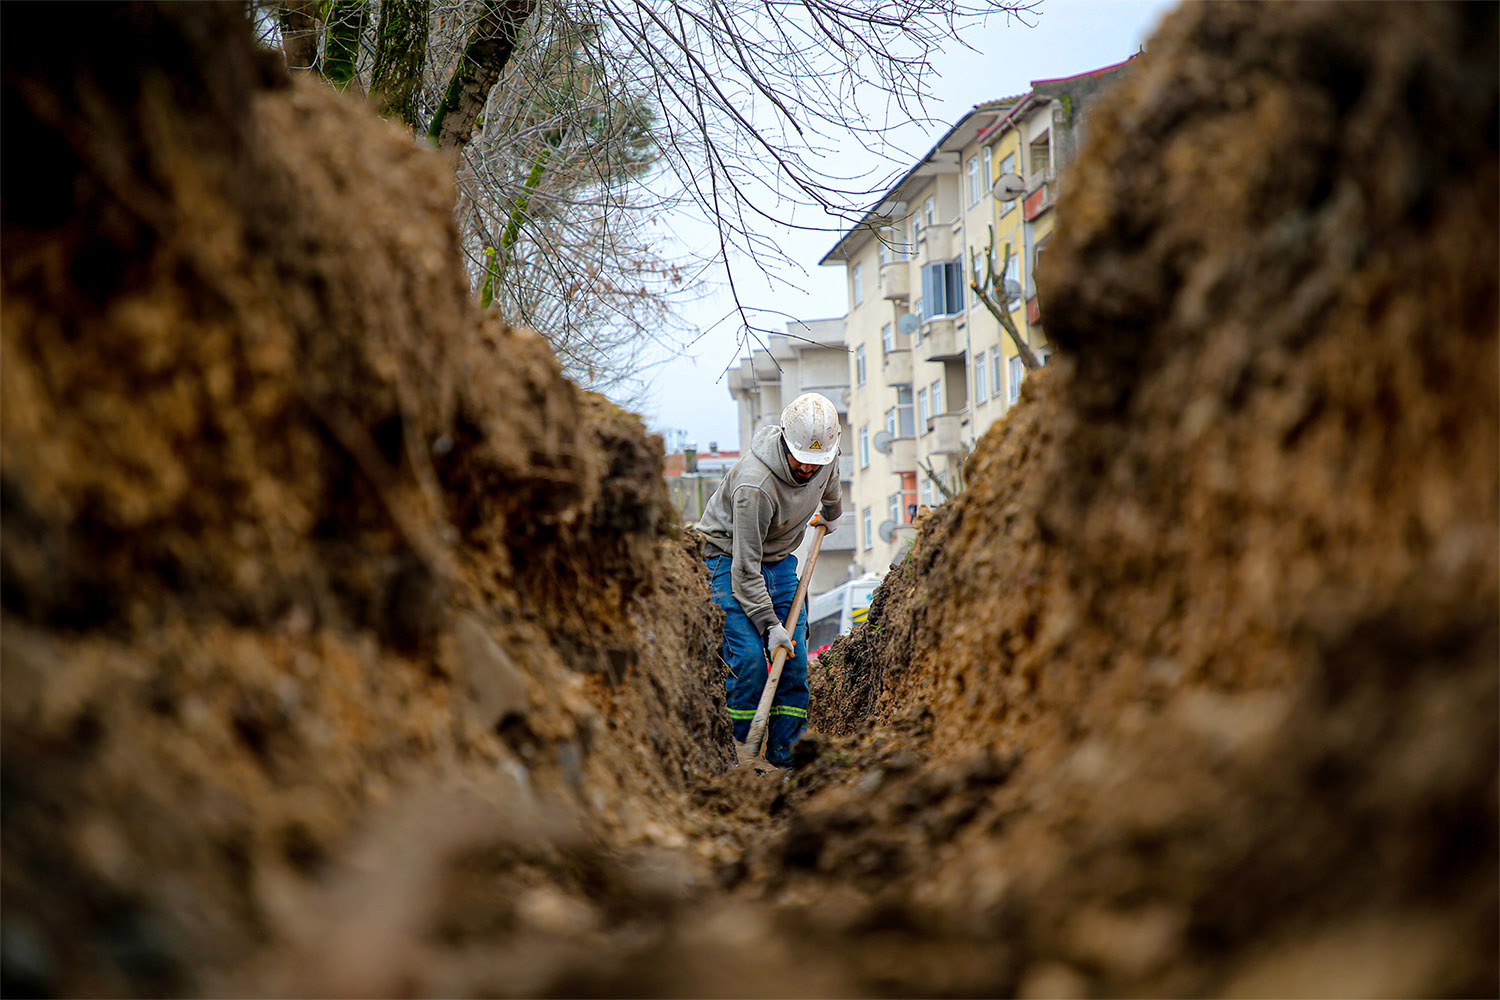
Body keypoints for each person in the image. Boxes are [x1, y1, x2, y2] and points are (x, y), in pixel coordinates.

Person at [696, 392, 842, 768]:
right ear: (785, 443)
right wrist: (770, 625)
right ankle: (740, 756)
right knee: (750, 663)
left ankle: (786, 757)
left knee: (794, 667)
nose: (809, 470)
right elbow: (746, 569)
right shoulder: (754, 486)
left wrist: (832, 513)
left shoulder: (824, 457)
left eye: (817, 462)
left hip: (779, 563)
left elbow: (829, 485)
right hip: (729, 560)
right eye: (802, 460)